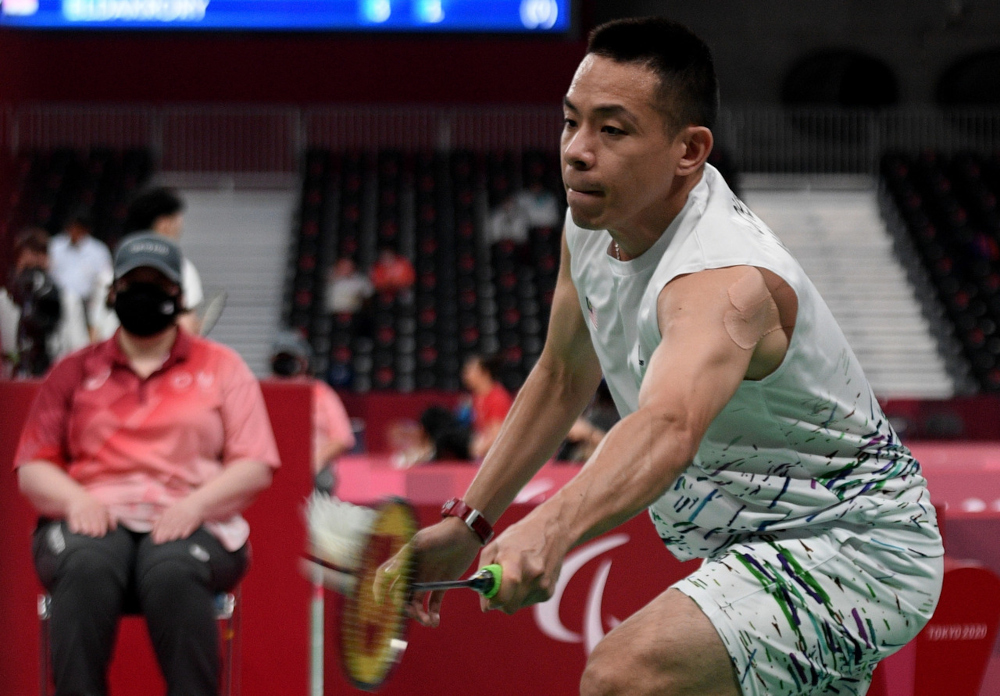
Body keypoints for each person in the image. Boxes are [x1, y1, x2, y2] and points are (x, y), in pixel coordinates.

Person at [385, 18, 943, 696]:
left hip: (857, 545)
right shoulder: (593, 224)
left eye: (612, 130)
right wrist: (471, 520)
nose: (578, 152)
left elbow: (668, 426)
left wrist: (552, 527)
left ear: (689, 150)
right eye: (571, 123)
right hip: (746, 545)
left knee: (626, 677)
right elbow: (563, 374)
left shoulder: (726, 281)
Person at [15, 232, 279, 696]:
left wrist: (195, 506)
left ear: (178, 294)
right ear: (114, 291)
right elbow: (33, 465)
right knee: (85, 564)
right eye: (133, 281)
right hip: (93, 517)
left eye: (157, 282)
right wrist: (75, 499)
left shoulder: (222, 367)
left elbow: (254, 463)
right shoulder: (73, 372)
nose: (144, 291)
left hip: (193, 520)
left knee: (173, 569)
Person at [90, 187, 205, 338]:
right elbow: (188, 330)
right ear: (165, 223)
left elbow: (95, 333)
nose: (180, 226)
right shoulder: (183, 269)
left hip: (114, 357)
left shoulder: (111, 270)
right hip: (160, 358)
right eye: (178, 219)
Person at [269, 329, 356, 493]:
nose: (285, 363)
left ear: (304, 362)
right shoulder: (262, 392)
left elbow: (343, 438)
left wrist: (312, 463)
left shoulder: (321, 392)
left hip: (313, 474)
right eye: (281, 358)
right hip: (271, 471)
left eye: (291, 358)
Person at [1, 228, 90, 376]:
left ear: (48, 262)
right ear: (17, 265)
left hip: (52, 378)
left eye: (37, 269)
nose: (33, 278)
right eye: (27, 269)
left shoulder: (67, 299)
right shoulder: (3, 301)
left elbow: (79, 352)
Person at [47, 209, 113, 337]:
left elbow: (105, 281)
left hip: (85, 306)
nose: (73, 231)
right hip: (55, 303)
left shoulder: (98, 251)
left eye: (77, 227)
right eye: (71, 227)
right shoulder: (55, 245)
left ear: (85, 229)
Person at [460, 354, 513, 459]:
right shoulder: (476, 398)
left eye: (469, 371)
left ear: (484, 373)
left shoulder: (497, 397)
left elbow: (498, 437)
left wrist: (478, 447)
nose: (465, 376)